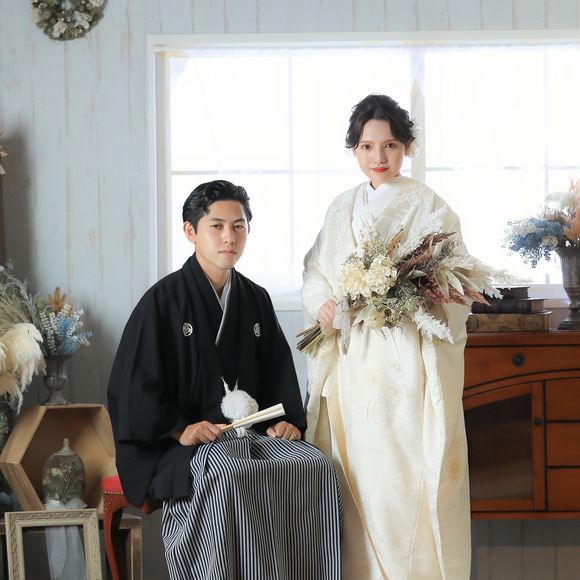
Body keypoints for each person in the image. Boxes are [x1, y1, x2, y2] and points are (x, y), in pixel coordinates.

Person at [108, 180, 342, 579]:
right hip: (181, 445)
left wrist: (285, 422)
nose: (229, 237)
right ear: (190, 231)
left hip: (250, 433)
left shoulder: (255, 298)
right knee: (228, 475)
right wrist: (180, 429)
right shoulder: (161, 301)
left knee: (315, 465)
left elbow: (277, 372)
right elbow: (132, 389)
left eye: (238, 226)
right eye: (216, 226)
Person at [302, 94, 472, 579]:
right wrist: (324, 303)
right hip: (352, 361)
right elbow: (315, 273)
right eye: (367, 146)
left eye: (391, 145)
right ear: (354, 149)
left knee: (402, 476)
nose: (379, 157)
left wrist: (407, 297)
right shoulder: (341, 208)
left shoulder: (429, 206)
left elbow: (455, 280)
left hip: (406, 363)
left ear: (407, 147)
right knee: (354, 471)